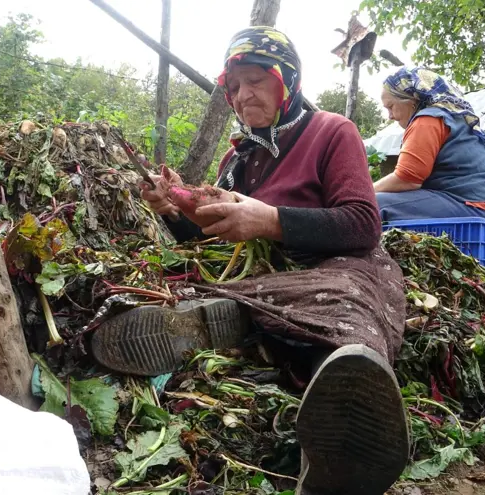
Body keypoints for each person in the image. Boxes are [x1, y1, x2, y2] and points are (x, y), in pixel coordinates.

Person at [91, 27, 410, 494]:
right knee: (215, 283)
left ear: (287, 80)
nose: (243, 95)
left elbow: (363, 223)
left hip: (337, 266)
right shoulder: (237, 158)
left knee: (345, 306)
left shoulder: (330, 132)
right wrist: (173, 211)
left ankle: (343, 421)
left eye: (256, 80)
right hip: (263, 277)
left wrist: (272, 221)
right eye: (234, 87)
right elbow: (210, 239)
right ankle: (235, 321)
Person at [373, 67, 485, 233]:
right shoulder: (456, 118)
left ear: (412, 100)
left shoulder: (428, 120)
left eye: (390, 106)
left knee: (369, 206)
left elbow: (407, 179)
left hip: (476, 209)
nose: (390, 116)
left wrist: (362, 193)